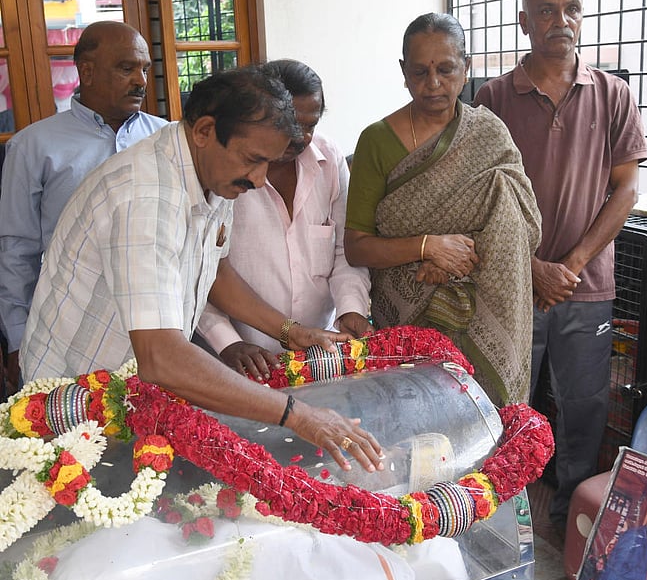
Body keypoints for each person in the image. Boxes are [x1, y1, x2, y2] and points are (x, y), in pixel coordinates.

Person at [20, 65, 383, 474]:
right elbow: (162, 357)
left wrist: (289, 330)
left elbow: (215, 272)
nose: (260, 180)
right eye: (254, 160)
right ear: (204, 130)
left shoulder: (210, 171)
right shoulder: (146, 197)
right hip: (69, 403)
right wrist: (299, 415)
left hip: (131, 395)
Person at [473, 0, 647, 528]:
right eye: (546, 11)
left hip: (586, 285)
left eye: (571, 8)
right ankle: (504, 513)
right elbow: (476, 201)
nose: (561, 21)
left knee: (584, 403)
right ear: (523, 21)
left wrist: (570, 265)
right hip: (510, 282)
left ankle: (574, 513)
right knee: (506, 395)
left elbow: (626, 188)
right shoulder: (493, 96)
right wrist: (530, 268)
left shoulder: (613, 94)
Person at [344, 12, 541, 406]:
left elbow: (522, 220)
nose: (433, 84)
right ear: (403, 72)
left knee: (480, 433)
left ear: (466, 69)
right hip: (405, 322)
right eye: (419, 72)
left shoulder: (489, 133)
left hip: (483, 308)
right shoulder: (376, 141)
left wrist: (456, 257)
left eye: (446, 69)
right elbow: (357, 246)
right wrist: (427, 247)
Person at [0, 21, 169, 393]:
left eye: (144, 68)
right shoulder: (33, 146)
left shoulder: (167, 139)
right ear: (87, 72)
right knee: (80, 445)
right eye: (126, 68)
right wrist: (15, 340)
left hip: (158, 333)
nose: (140, 80)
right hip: (65, 335)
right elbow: (17, 251)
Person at [196, 59, 372, 380]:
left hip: (319, 353)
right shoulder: (225, 172)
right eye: (291, 125)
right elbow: (202, 269)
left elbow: (344, 251)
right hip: (242, 357)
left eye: (311, 125)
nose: (301, 137)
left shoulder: (330, 160)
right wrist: (228, 342)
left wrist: (350, 309)